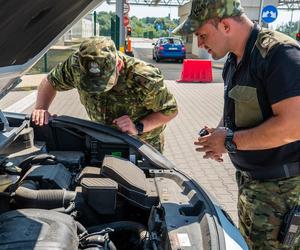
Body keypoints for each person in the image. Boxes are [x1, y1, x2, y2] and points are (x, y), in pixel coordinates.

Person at [175, 0, 300, 249]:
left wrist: (229, 140)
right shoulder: (234, 60)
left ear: (225, 25)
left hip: (282, 192)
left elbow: (294, 126)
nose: (200, 44)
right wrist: (220, 134)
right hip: (252, 186)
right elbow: (237, 108)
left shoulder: (278, 54)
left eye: (202, 35)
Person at [31, 37, 178, 152]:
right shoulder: (75, 65)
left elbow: (170, 110)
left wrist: (138, 127)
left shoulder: (143, 77)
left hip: (141, 144)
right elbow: (50, 81)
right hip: (102, 136)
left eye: (104, 83)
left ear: (118, 65)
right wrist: (41, 108)